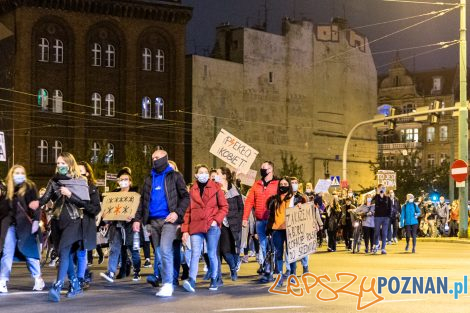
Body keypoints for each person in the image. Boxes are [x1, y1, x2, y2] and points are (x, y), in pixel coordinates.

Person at [134, 149, 190, 297]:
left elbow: (185, 197)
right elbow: (143, 201)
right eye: (153, 158)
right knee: (158, 252)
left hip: (169, 221)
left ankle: (167, 283)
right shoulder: (148, 179)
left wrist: (177, 213)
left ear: (165, 158)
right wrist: (137, 220)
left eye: (157, 157)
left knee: (165, 249)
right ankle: (165, 279)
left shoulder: (175, 176)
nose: (154, 160)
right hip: (153, 222)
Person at [40, 152, 90, 302]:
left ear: (70, 164)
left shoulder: (80, 180)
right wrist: (31, 201)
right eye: (58, 163)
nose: (60, 166)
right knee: (64, 254)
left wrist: (69, 194)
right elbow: (44, 198)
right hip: (56, 221)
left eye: (63, 163)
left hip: (73, 221)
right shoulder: (53, 181)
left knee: (64, 251)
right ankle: (75, 284)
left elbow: (84, 203)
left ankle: (57, 285)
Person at [182, 164, 228, 292]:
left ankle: (214, 278)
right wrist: (185, 230)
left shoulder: (216, 188)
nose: (203, 174)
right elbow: (188, 211)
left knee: (212, 253)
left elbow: (224, 207)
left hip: (212, 226)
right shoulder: (192, 190)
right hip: (196, 226)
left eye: (205, 172)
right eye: (201, 172)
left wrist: (216, 220)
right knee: (195, 253)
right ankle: (192, 280)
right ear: (196, 175)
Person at [0, 165, 45, 293]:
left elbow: (36, 205)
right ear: (11, 174)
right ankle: (2, 280)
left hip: (25, 225)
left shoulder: (30, 187)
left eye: (21, 172)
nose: (19, 175)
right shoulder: (6, 189)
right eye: (16, 172)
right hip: (9, 225)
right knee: (6, 253)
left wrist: (36, 220)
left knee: (30, 253)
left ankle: (38, 278)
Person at [100, 168, 142, 283]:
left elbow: (139, 210)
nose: (123, 181)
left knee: (133, 249)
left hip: (130, 225)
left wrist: (134, 218)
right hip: (116, 225)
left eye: (126, 179)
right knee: (114, 248)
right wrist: (107, 219)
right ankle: (111, 272)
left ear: (130, 181)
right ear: (118, 182)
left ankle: (137, 270)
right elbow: (108, 209)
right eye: (121, 179)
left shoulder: (135, 195)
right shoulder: (113, 195)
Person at [67, 161, 101, 291]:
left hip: (85, 224)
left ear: (87, 173)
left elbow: (95, 208)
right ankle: (82, 274)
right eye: (76, 171)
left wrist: (83, 205)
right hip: (71, 224)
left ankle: (80, 278)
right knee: (70, 254)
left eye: (81, 171)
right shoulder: (70, 187)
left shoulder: (92, 188)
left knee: (81, 253)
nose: (78, 174)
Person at [242, 161, 279, 274]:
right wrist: (245, 218)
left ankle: (276, 264)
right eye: (261, 167)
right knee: (262, 244)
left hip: (273, 220)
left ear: (271, 169)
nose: (262, 169)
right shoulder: (256, 184)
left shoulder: (278, 184)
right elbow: (249, 202)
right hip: (260, 220)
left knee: (274, 243)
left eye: (265, 168)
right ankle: (264, 265)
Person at [216, 167, 244, 282]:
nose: (215, 176)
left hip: (232, 224)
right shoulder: (214, 188)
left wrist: (239, 220)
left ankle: (233, 267)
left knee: (231, 250)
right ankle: (225, 272)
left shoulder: (234, 189)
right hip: (219, 223)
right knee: (222, 250)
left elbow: (240, 207)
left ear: (224, 175)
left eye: (218, 173)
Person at [265, 176, 293, 287]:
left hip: (290, 229)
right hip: (277, 229)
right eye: (281, 184)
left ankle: (292, 275)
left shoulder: (294, 198)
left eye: (286, 184)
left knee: (291, 253)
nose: (283, 186)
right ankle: (280, 276)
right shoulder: (274, 199)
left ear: (289, 186)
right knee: (278, 254)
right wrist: (269, 229)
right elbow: (270, 214)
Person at [372, 185, 391, 254]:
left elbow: (390, 208)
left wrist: (389, 216)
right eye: (380, 188)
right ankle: (376, 245)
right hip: (377, 217)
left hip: (385, 217)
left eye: (383, 188)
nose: (382, 189)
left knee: (384, 233)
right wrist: (377, 194)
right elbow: (370, 203)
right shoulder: (375, 197)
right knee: (376, 232)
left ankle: (383, 248)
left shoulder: (387, 198)